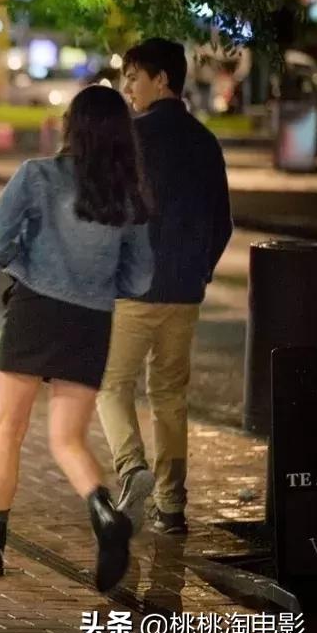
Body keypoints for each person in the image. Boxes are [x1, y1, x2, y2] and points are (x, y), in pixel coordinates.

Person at [0, 84, 154, 594]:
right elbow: (139, 278)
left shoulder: (38, 176)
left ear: (72, 126)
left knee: (8, 425)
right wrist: (95, 289)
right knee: (68, 438)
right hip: (91, 320)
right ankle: (103, 511)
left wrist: (26, 267)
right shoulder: (128, 197)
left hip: (34, 309)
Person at [97, 38, 232, 536]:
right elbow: (222, 222)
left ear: (162, 81)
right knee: (170, 397)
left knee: (112, 386)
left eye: (134, 76)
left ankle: (132, 469)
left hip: (133, 291)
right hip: (184, 293)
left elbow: (108, 215)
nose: (127, 86)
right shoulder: (204, 141)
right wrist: (200, 270)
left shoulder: (130, 139)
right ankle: (172, 507)